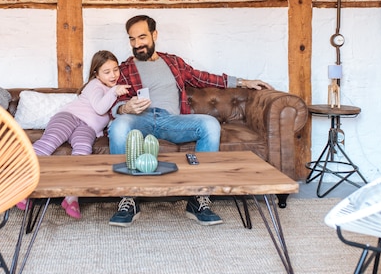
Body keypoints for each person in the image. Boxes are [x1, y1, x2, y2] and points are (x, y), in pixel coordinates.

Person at [107, 15, 273, 227]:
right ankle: (127, 197)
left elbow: (204, 78)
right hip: (141, 120)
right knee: (119, 124)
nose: (137, 44)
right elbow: (116, 101)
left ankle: (198, 199)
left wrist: (243, 82)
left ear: (154, 35)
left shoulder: (174, 62)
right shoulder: (126, 68)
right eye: (132, 39)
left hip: (173, 121)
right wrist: (125, 108)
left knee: (210, 124)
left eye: (142, 37)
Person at [17, 50, 130, 219]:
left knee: (83, 152)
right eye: (107, 72)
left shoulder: (117, 89)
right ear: (96, 74)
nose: (113, 75)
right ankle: (20, 187)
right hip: (69, 117)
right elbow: (100, 108)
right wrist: (114, 92)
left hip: (87, 128)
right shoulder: (95, 86)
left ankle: (71, 197)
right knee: (49, 143)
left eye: (115, 70)